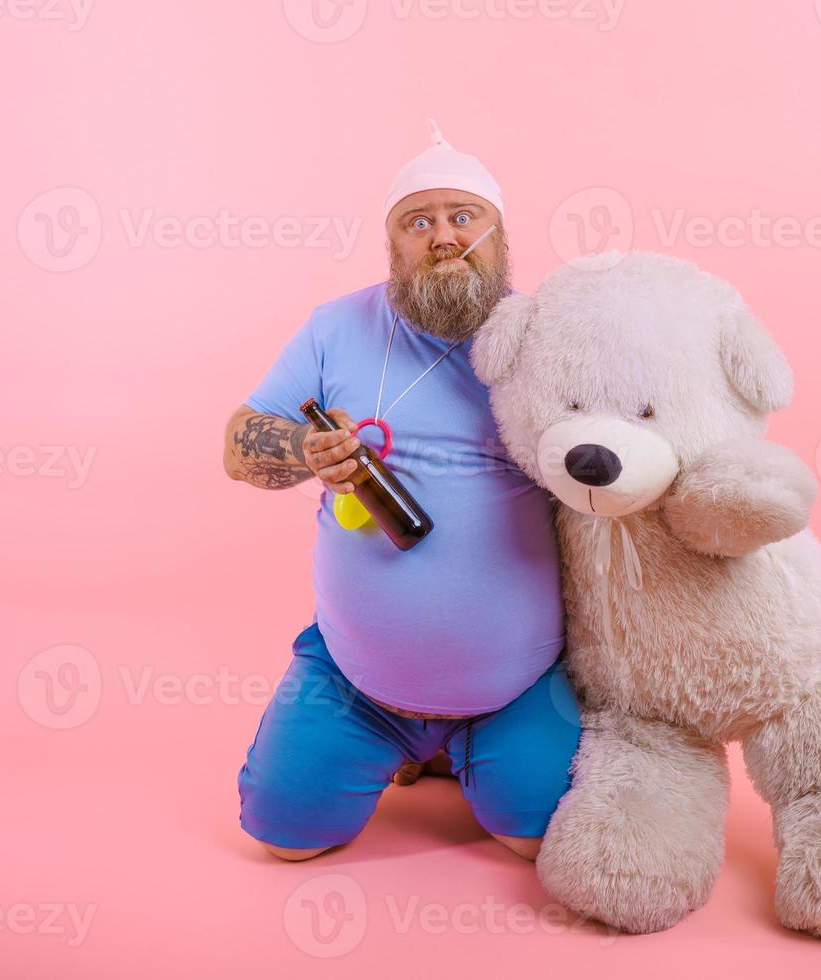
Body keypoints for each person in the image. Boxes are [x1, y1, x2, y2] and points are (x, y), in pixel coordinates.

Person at [223, 120, 580, 862]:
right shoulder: (336, 327)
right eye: (418, 221)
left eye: (463, 216)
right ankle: (396, 741)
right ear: (394, 243)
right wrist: (303, 449)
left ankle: (458, 748)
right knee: (282, 839)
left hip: (514, 684)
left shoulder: (549, 336)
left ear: (498, 233)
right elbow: (239, 445)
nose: (443, 236)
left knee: (535, 841)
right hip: (358, 680)